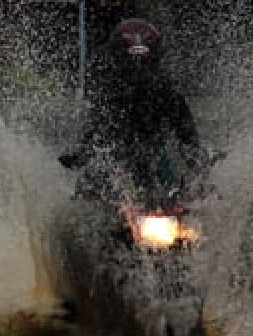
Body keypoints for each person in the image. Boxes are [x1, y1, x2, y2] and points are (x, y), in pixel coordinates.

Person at [61, 18, 203, 200]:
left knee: (184, 194)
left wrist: (198, 161)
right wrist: (82, 155)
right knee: (89, 192)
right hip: (115, 158)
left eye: (144, 64)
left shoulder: (167, 92)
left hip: (156, 155)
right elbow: (96, 129)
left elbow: (187, 132)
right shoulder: (108, 92)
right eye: (131, 64)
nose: (139, 71)